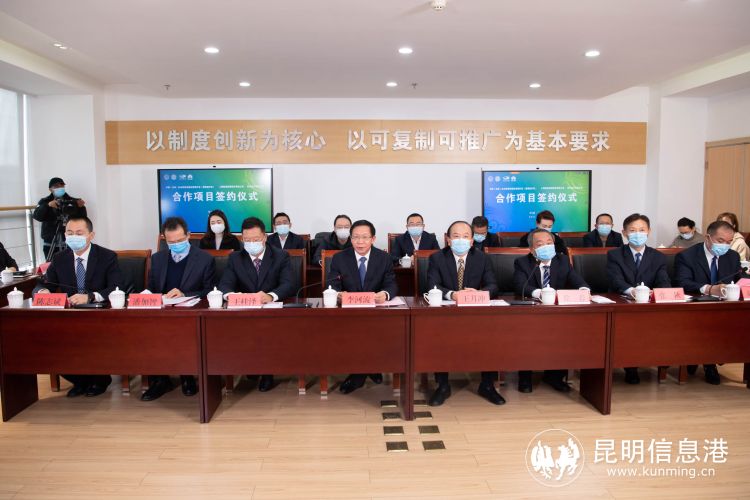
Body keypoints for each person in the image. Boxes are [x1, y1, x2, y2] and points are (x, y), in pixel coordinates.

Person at [33, 216, 121, 397]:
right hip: (69, 316)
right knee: (48, 339)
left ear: (91, 235)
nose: (74, 237)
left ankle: (99, 380)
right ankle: (80, 381)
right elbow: (43, 284)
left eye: (79, 233)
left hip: (98, 314)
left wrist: (90, 296)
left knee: (91, 337)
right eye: (69, 233)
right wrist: (42, 292)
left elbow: (116, 287)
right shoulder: (59, 258)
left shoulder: (107, 256)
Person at [426, 220, 502, 406]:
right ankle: (443, 385)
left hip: (475, 312)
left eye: (466, 236)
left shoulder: (482, 258)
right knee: (438, 333)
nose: (461, 240)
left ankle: (487, 385)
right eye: (456, 236)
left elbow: (493, 285)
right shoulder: (437, 258)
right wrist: (453, 294)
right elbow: (432, 285)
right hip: (447, 313)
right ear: (448, 239)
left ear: (472, 240)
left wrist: (479, 293)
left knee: (492, 333)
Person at [142, 217, 216, 401]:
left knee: (183, 331)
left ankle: (187, 376)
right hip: (161, 313)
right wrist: (146, 294)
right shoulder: (158, 259)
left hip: (189, 313)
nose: (176, 245)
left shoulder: (204, 259)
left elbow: (209, 290)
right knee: (146, 331)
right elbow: (151, 287)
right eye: (171, 242)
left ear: (188, 235)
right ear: (164, 239)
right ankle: (160, 380)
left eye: (180, 240)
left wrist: (184, 293)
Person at [218, 216, 295, 392]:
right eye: (247, 240)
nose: (252, 243)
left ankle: (267, 372)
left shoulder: (280, 256)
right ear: (242, 239)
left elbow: (289, 284)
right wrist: (232, 296)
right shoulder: (235, 258)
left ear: (265, 237)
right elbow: (225, 285)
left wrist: (270, 296)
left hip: (272, 312)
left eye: (256, 239)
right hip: (245, 312)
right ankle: (250, 365)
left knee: (267, 328)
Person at [513, 228, 589, 393]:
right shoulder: (522, 262)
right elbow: (520, 286)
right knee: (526, 333)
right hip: (532, 312)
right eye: (540, 244)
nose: (546, 247)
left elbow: (578, 281)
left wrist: (584, 289)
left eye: (549, 243)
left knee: (566, 333)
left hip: (557, 312)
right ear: (532, 249)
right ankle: (525, 376)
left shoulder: (562, 261)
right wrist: (541, 293)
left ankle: (555, 376)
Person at [328, 220, 398, 394]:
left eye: (365, 237)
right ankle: (368, 370)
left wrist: (385, 294)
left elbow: (391, 284)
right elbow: (332, 284)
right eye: (356, 237)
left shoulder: (384, 258)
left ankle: (359, 375)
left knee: (376, 330)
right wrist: (338, 294)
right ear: (350, 239)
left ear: (373, 239)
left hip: (376, 312)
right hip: (349, 313)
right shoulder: (339, 258)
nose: (360, 242)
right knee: (354, 331)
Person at [675, 220, 742, 385]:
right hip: (696, 307)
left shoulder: (732, 256)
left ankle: (710, 359)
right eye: (720, 241)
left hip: (725, 307)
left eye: (729, 242)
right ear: (708, 237)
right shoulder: (687, 256)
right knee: (707, 322)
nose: (725, 246)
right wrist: (709, 289)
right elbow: (682, 282)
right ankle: (707, 363)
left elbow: (739, 278)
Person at [606, 213, 671, 384]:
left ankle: (658, 359)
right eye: (633, 230)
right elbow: (616, 280)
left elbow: (663, 281)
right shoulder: (614, 255)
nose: (638, 234)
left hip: (649, 304)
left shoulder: (658, 257)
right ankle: (631, 366)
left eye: (642, 230)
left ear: (649, 231)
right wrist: (632, 291)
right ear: (624, 233)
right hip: (622, 302)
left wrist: (656, 293)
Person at [32, 177, 87, 260]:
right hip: (50, 240)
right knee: (51, 264)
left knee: (70, 263)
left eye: (62, 185)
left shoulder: (72, 201)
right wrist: (47, 206)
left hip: (70, 239)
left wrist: (80, 207)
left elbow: (82, 219)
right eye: (56, 186)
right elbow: (37, 216)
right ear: (50, 189)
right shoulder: (45, 201)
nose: (60, 188)